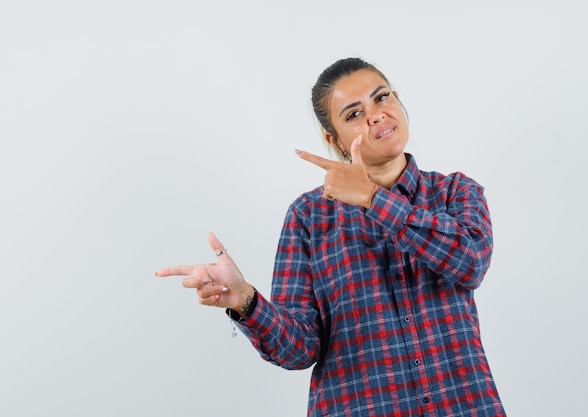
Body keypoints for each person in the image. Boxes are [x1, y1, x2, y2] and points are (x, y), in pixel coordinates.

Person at [156, 57, 506, 417]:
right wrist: (246, 301)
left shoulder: (455, 192)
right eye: (354, 114)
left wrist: (373, 199)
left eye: (382, 97)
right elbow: (299, 349)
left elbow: (470, 264)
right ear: (333, 139)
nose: (375, 115)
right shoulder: (308, 216)